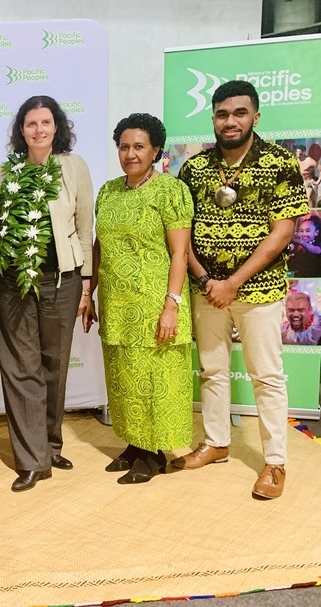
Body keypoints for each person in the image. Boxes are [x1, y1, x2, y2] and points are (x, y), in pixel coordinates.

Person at [174, 80, 308, 500]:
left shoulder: (280, 162)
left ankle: (275, 462)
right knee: (212, 370)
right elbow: (182, 231)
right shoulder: (194, 169)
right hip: (206, 289)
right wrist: (204, 279)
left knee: (266, 376)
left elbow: (283, 231)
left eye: (239, 113)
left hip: (259, 290)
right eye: (222, 113)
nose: (230, 121)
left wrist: (234, 282)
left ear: (255, 117)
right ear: (212, 117)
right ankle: (216, 442)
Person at [83, 113, 193, 484]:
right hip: (118, 302)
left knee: (152, 378)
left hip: (155, 302)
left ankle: (153, 453)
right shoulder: (109, 191)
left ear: (156, 149)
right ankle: (134, 443)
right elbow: (100, 246)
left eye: (138, 147)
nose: (130, 154)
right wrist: (89, 292)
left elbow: (180, 253)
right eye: (124, 147)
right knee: (123, 377)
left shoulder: (170, 191)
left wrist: (171, 305)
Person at [0, 95, 94, 492]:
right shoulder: (5, 175)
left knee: (54, 365)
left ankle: (51, 444)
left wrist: (86, 284)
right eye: (31, 124)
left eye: (46, 122)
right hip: (15, 284)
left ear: (57, 127)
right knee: (22, 369)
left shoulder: (74, 167)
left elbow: (85, 227)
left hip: (63, 280)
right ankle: (32, 460)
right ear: (22, 130)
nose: (39, 130)